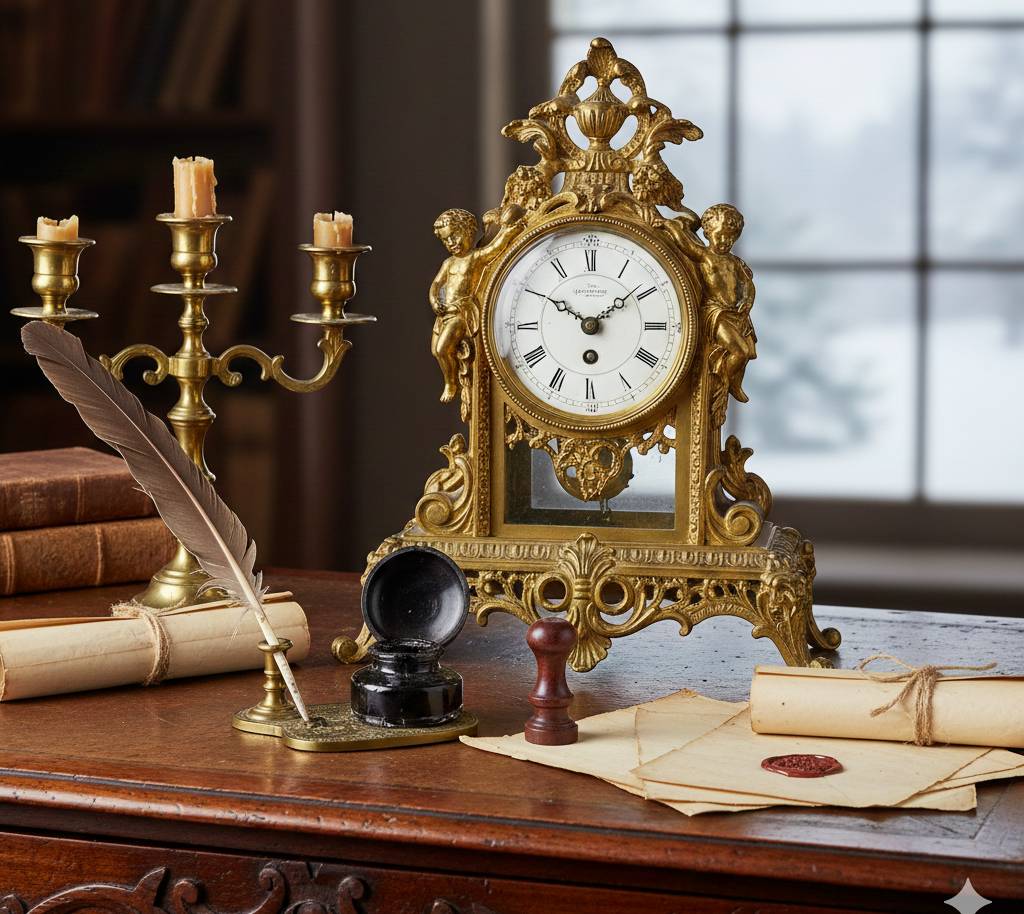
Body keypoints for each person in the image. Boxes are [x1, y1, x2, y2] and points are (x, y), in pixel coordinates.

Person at [664, 203, 757, 426]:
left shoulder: (735, 262)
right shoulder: (705, 256)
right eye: (720, 236)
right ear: (707, 233)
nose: (725, 242)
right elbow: (680, 239)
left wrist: (747, 301)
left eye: (730, 238)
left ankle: (729, 379)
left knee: (746, 351)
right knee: (740, 351)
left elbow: (748, 285)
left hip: (736, 314)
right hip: (715, 314)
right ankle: (723, 380)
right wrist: (668, 222)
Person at [429, 205, 524, 408]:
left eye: (454, 236)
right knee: (436, 352)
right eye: (446, 240)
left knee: (442, 348)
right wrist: (435, 300)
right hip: (444, 314)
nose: (451, 243)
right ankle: (450, 378)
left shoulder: (474, 258)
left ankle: (451, 383)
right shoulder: (448, 263)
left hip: (461, 313)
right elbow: (436, 285)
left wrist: (509, 232)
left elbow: (495, 248)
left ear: (467, 231)